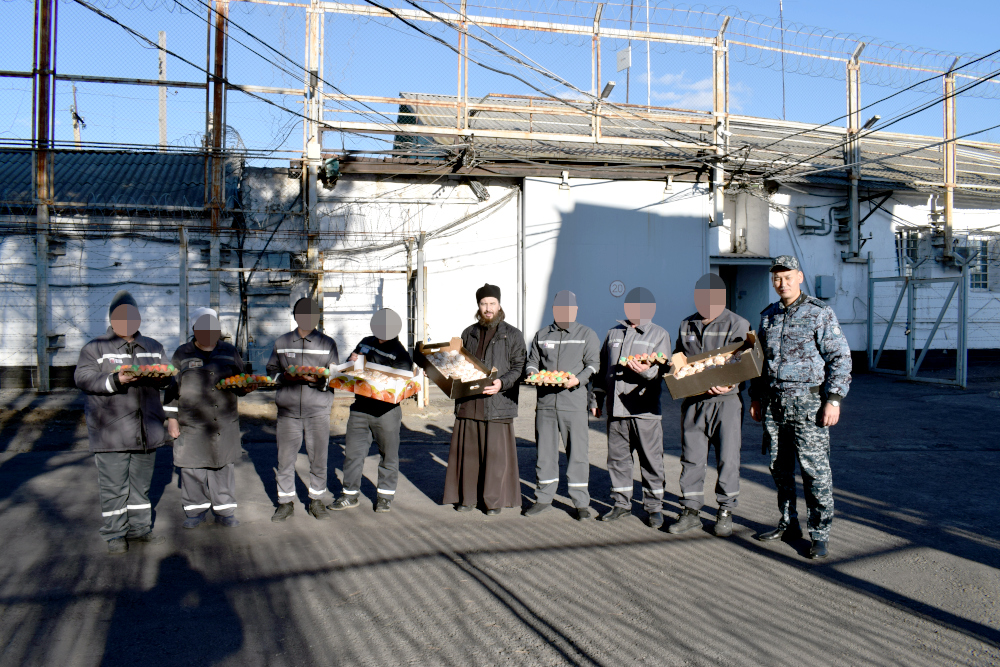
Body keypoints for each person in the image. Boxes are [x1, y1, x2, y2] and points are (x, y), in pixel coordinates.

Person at [749, 255, 852, 559]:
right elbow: (759, 361)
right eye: (777, 279)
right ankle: (788, 523)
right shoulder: (768, 316)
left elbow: (840, 357)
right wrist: (755, 397)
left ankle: (819, 534)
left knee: (814, 472)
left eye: (787, 277)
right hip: (775, 405)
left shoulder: (819, 313)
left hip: (809, 404)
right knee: (780, 469)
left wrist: (834, 399)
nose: (782, 283)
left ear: (800, 277)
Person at [74, 290, 170, 554]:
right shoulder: (95, 348)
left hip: (146, 430)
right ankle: (115, 533)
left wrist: (164, 378)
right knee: (114, 487)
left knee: (141, 487)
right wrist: (116, 379)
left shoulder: (153, 347)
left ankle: (140, 529)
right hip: (111, 431)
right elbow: (83, 378)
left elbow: (167, 375)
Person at [666, 274, 750, 537]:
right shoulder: (686, 325)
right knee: (691, 457)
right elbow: (678, 357)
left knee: (728, 458)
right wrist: (673, 369)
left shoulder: (737, 323)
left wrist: (730, 383)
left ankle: (725, 510)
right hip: (694, 401)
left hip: (726, 402)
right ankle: (690, 511)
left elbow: (743, 361)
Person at [442, 284, 526, 515]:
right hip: (469, 403)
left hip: (497, 403)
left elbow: (519, 367)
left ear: (499, 305)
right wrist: (442, 370)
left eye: (492, 303)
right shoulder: (468, 333)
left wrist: (502, 383)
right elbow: (458, 365)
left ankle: (493, 501)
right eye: (483, 304)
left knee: (495, 457)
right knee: (469, 455)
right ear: (478, 306)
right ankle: (468, 498)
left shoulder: (513, 334)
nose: (488, 308)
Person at [164, 308, 251, 529]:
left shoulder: (229, 351)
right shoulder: (182, 353)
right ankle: (195, 511)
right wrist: (172, 419)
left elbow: (239, 381)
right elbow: (171, 388)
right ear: (194, 329)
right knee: (192, 467)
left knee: (222, 466)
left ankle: (225, 511)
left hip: (223, 421)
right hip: (191, 422)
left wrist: (246, 387)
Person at [593, 287, 671, 529]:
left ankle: (654, 508)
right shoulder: (613, 333)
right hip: (616, 410)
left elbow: (663, 369)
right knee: (618, 460)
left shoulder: (659, 334)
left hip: (645, 411)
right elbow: (602, 369)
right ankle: (621, 504)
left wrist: (647, 371)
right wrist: (596, 399)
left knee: (651, 461)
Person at [523, 290, 601, 520]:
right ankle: (543, 498)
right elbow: (532, 362)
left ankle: (581, 503)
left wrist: (579, 380)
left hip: (573, 402)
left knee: (577, 453)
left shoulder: (586, 334)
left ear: (575, 310)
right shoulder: (542, 335)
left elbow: (593, 365)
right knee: (545, 453)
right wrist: (533, 374)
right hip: (546, 403)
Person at [329, 308, 413, 513]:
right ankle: (349, 495)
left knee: (388, 455)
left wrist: (368, 367)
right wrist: (351, 361)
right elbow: (350, 367)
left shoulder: (401, 354)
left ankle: (384, 497)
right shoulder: (365, 342)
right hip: (360, 408)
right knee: (353, 454)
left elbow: (400, 385)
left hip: (386, 412)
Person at [266, 297, 340, 522]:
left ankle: (316, 500)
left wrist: (318, 380)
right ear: (296, 316)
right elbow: (271, 371)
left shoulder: (327, 343)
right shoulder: (282, 342)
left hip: (318, 409)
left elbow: (334, 378)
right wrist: (285, 377)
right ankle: (285, 502)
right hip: (288, 411)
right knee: (285, 459)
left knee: (318, 458)